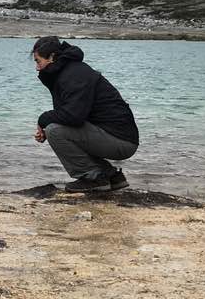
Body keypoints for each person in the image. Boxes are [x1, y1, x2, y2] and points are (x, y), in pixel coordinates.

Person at [31, 36, 139, 192]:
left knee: (55, 131)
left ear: (52, 57)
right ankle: (111, 176)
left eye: (38, 61)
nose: (37, 67)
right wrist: (46, 125)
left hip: (122, 141)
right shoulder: (68, 71)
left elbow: (73, 117)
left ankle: (93, 178)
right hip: (116, 137)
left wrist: (43, 120)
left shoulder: (74, 74)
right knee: (55, 129)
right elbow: (69, 116)